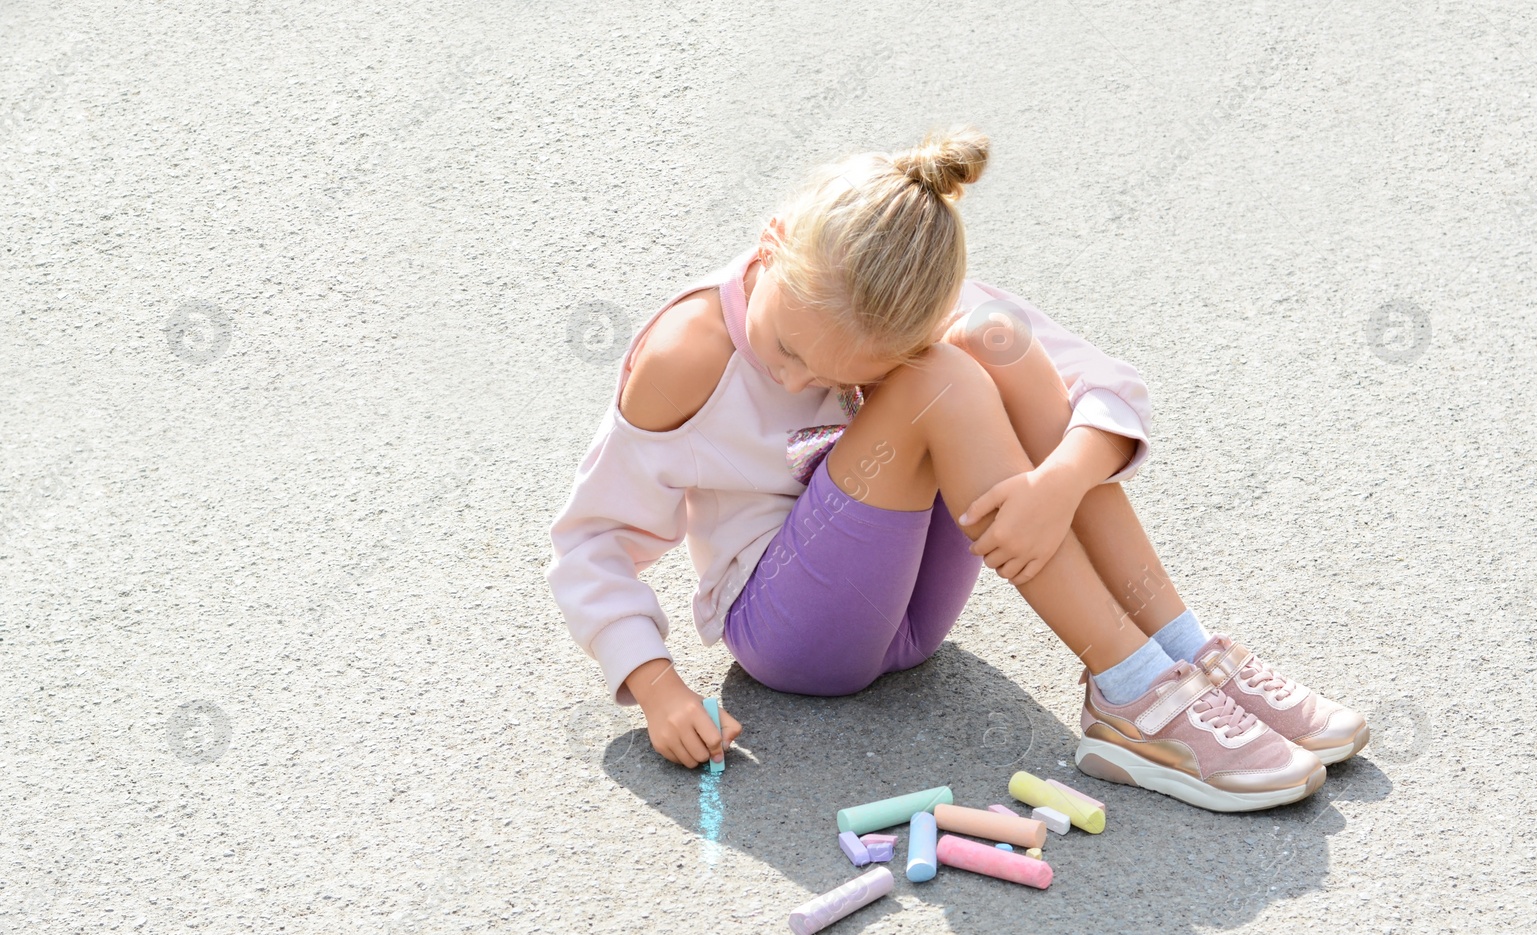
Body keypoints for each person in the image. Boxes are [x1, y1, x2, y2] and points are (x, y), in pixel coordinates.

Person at [545, 125, 1368, 812]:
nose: (794, 382)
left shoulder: (897, 291)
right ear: (773, 240)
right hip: (788, 631)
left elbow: (1106, 388)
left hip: (911, 612)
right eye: (788, 349)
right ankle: (1132, 690)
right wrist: (653, 683)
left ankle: (1182, 647)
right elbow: (590, 539)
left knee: (994, 343)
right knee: (940, 380)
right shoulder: (686, 353)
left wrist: (1058, 484)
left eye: (830, 376)